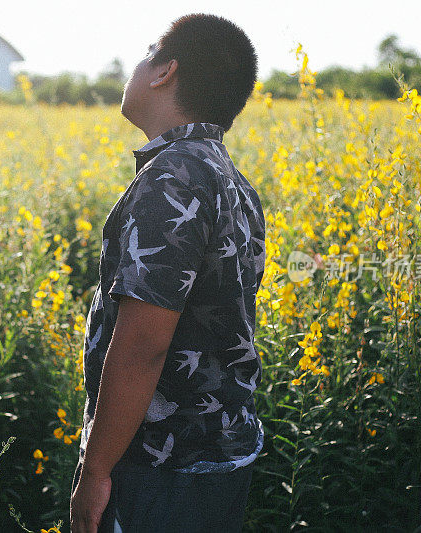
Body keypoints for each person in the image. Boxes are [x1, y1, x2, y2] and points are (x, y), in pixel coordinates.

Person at [69, 12, 265, 533]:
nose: (135, 65)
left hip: (166, 465)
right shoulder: (231, 179)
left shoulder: (172, 179)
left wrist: (95, 470)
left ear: (164, 72)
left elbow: (143, 347)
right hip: (219, 450)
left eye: (146, 52)